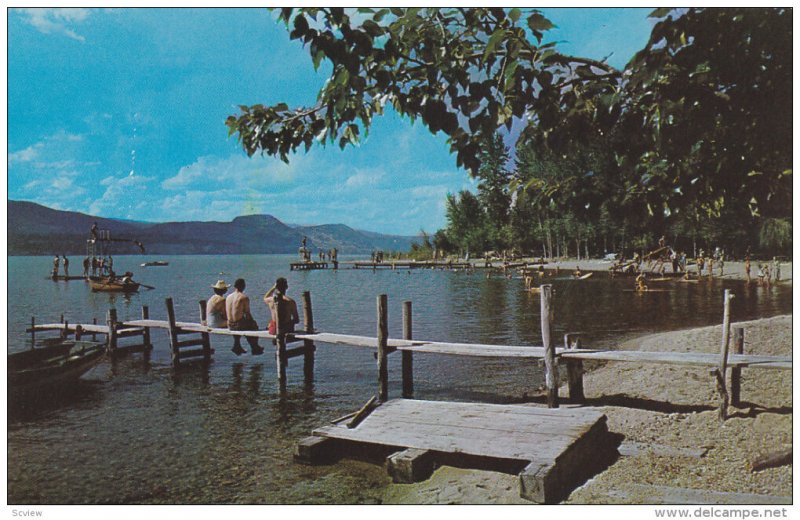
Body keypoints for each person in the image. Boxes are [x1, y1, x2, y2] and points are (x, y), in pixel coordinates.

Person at [226, 278, 263, 355]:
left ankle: (237, 345)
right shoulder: (243, 297)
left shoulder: (228, 297)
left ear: (234, 286)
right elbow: (247, 314)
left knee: (241, 322)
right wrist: (252, 322)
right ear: (243, 286)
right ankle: (254, 347)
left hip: (229, 324)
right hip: (238, 325)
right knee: (253, 325)